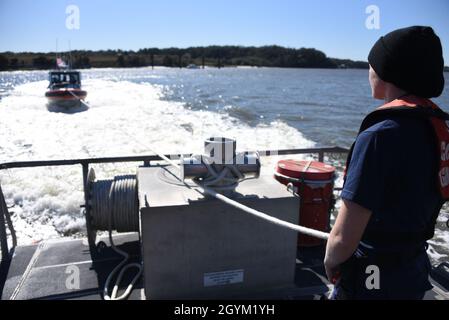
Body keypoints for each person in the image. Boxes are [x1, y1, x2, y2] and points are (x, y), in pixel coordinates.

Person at [324, 26, 447, 299]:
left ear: (386, 71)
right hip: (412, 270)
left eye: (371, 65)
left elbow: (344, 238)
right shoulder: (438, 129)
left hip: (371, 276)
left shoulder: (379, 136)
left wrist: (331, 261)